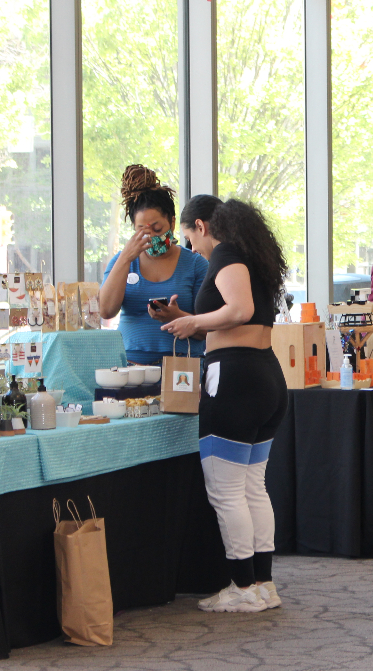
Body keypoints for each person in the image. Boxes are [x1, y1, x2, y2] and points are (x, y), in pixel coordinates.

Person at [162, 199, 289, 613]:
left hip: (235, 382)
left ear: (201, 226)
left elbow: (240, 310)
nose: (192, 248)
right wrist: (186, 315)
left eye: (189, 238)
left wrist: (194, 321)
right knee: (253, 486)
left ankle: (241, 586)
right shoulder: (251, 257)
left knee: (227, 491)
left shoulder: (226, 255)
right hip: (263, 378)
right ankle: (262, 584)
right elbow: (237, 318)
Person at [100, 165, 209, 365]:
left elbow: (210, 329)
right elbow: (106, 310)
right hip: (130, 364)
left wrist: (178, 317)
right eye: (142, 230)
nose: (151, 237)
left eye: (158, 229)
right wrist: (125, 258)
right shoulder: (122, 262)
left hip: (182, 366)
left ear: (173, 223)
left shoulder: (196, 265)